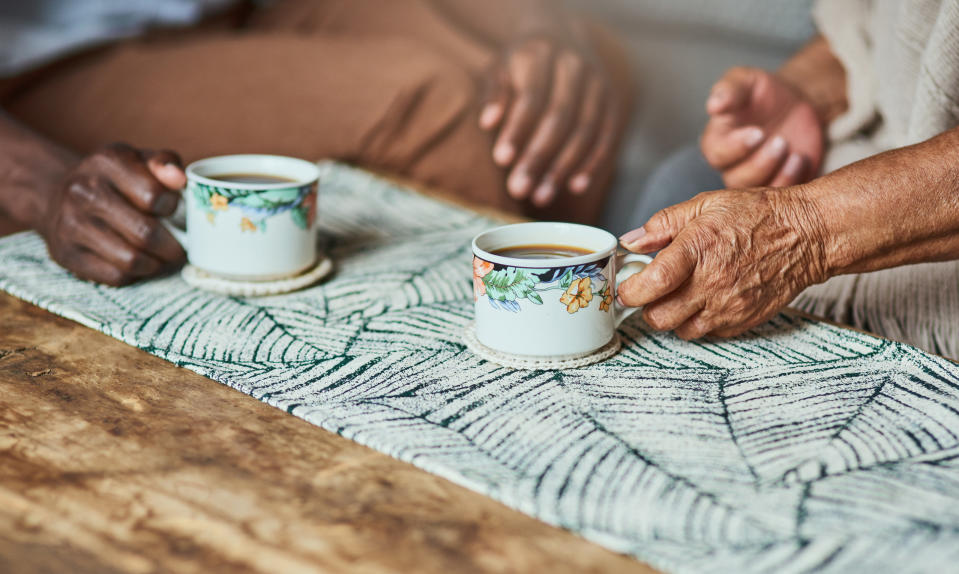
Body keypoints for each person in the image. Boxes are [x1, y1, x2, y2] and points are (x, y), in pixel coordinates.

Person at [0, 0, 631, 286]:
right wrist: (42, 182)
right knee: (437, 105)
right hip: (46, 60)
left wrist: (541, 22)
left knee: (573, 67)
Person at [617, 0, 959, 355]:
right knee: (684, 178)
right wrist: (804, 91)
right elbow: (878, 26)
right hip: (856, 152)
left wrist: (804, 230)